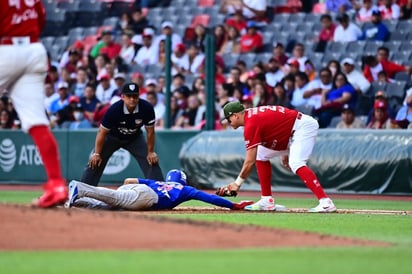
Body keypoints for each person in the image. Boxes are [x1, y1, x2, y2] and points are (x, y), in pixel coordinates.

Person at [0, 0, 68, 207]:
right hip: (34, 50)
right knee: (37, 122)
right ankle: (56, 184)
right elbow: (40, 20)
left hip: (6, 49)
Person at [218, 101, 337, 212]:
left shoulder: (250, 124)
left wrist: (237, 184)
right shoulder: (251, 116)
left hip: (302, 128)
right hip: (292, 130)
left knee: (296, 163)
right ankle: (266, 200)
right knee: (261, 155)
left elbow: (250, 161)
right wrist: (285, 150)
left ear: (235, 116)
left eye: (228, 119)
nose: (229, 123)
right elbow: (276, 124)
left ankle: (326, 202)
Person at [80, 82, 164, 186]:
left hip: (134, 138)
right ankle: (82, 192)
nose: (132, 99)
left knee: (151, 159)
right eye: (129, 96)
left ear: (139, 96)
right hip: (112, 137)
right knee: (95, 160)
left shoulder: (146, 108)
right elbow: (102, 132)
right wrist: (97, 154)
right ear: (122, 97)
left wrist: (151, 152)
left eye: (135, 96)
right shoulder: (114, 110)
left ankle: (161, 190)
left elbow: (150, 132)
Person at [66, 169, 253, 211]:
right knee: (116, 199)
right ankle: (79, 188)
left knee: (107, 205)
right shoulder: (185, 189)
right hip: (147, 196)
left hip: (140, 188)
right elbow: (209, 199)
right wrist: (233, 205)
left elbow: (129, 179)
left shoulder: (158, 181)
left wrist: (128, 189)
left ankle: (74, 200)